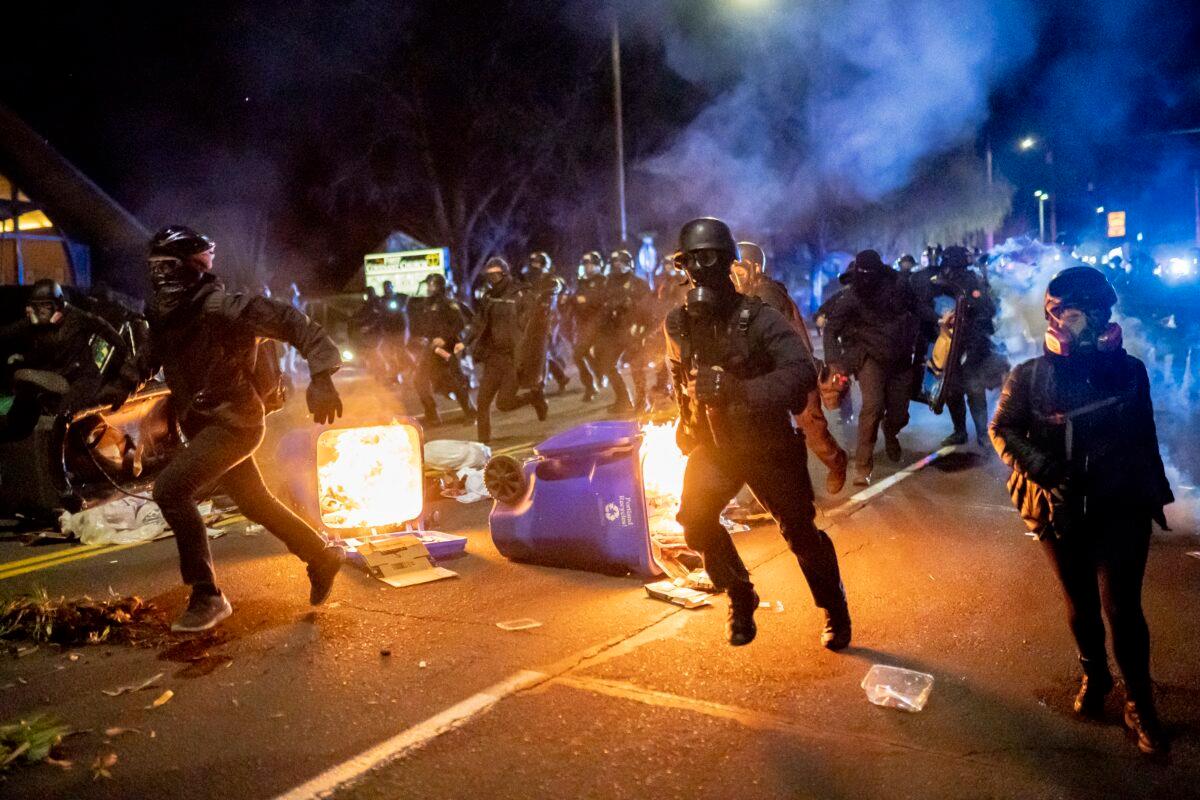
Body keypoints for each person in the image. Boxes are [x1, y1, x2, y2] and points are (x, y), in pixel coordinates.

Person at [990, 266, 1173, 756]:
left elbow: (1144, 436)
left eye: (1097, 313)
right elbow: (1002, 430)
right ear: (1055, 316)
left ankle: (1140, 704)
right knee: (1082, 608)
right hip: (1059, 509)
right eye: (1076, 312)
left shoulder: (1129, 371)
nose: (1088, 323)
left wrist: (1153, 494)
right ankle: (1096, 677)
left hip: (1121, 506)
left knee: (1123, 609)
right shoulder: (1028, 376)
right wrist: (1043, 469)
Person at [140, 225, 346, 632]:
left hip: (235, 423)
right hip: (203, 424)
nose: (160, 275)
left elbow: (292, 322)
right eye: (154, 266)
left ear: (190, 268)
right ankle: (321, 556)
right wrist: (100, 393)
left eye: (168, 265)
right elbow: (146, 358)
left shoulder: (222, 307)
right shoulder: (165, 315)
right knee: (255, 501)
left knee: (171, 490)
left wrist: (322, 375)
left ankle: (207, 596)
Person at [665, 218, 850, 650]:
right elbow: (678, 373)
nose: (697, 271)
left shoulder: (759, 317)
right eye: (688, 262)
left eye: (706, 259)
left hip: (767, 444)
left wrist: (739, 390)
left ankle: (834, 608)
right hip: (715, 446)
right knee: (694, 522)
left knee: (800, 534)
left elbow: (801, 371)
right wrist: (686, 420)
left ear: (729, 263)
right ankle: (740, 593)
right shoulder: (679, 323)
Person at [734, 242, 848, 494]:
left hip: (795, 370)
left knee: (813, 430)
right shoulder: (742, 297)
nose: (734, 277)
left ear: (752, 268)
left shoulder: (767, 294)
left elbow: (757, 337)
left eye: (738, 271)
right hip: (767, 376)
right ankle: (768, 494)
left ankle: (837, 462)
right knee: (760, 436)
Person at [823, 250, 924, 485]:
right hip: (869, 357)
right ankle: (863, 467)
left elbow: (917, 308)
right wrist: (835, 362)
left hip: (899, 356)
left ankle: (891, 431)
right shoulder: (851, 297)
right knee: (873, 406)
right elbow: (831, 330)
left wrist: (938, 319)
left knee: (899, 414)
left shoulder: (899, 285)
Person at [0, 278, 136, 422]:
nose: (41, 311)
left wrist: (127, 363)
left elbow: (109, 332)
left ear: (57, 304)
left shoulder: (78, 318)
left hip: (80, 378)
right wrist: (24, 358)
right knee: (20, 383)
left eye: (46, 306)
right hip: (55, 372)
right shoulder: (35, 321)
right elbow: (9, 332)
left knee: (62, 416)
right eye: (37, 306)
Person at [468, 257, 548, 443]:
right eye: (489, 275)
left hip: (513, 358)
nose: (492, 279)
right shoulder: (488, 296)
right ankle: (483, 442)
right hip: (493, 357)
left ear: (504, 273)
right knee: (482, 402)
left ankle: (534, 398)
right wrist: (465, 341)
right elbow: (479, 322)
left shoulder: (521, 295)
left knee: (504, 404)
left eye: (496, 275)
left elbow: (532, 327)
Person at [929, 246, 998, 447]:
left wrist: (968, 315)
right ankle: (959, 431)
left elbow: (986, 310)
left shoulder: (972, 281)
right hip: (952, 341)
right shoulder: (943, 280)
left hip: (972, 342)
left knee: (975, 388)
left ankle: (982, 435)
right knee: (952, 388)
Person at [407, 273, 475, 425]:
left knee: (455, 381)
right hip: (431, 349)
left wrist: (443, 338)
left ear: (437, 286)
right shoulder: (426, 304)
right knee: (419, 380)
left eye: (430, 285)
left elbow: (459, 324)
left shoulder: (448, 303)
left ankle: (470, 413)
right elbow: (426, 325)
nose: (427, 288)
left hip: (447, 348)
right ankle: (432, 415)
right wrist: (422, 337)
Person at [596, 249, 654, 413]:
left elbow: (648, 308)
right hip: (615, 332)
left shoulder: (639, 284)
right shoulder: (608, 283)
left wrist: (642, 328)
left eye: (622, 262)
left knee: (636, 367)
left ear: (629, 264)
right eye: (615, 262)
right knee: (608, 365)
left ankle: (642, 402)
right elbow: (602, 307)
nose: (618, 265)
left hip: (634, 331)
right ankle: (623, 399)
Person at [563, 251, 607, 402]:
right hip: (583, 325)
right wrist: (568, 300)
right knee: (579, 354)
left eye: (591, 264)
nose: (588, 267)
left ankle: (599, 376)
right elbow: (575, 300)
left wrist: (586, 300)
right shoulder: (582, 282)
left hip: (600, 324)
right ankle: (591, 385)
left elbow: (602, 300)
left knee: (597, 354)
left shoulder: (603, 281)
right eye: (586, 264)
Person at [524, 252, 570, 394]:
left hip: (550, 319)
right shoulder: (530, 280)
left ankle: (539, 386)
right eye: (533, 263)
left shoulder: (552, 279)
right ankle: (561, 378)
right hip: (534, 318)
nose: (535, 266)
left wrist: (550, 292)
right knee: (541, 352)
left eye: (538, 263)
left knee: (543, 351)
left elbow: (559, 288)